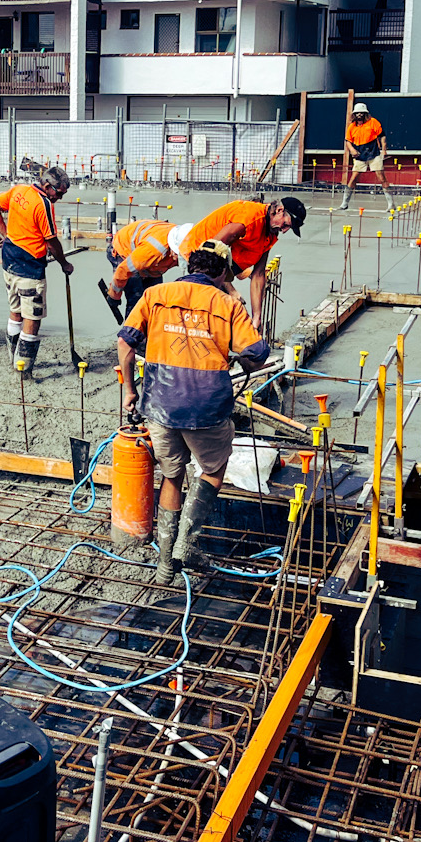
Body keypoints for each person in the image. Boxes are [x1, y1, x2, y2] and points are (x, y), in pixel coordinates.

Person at [117, 239, 271, 583]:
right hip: (206, 407)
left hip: (160, 404)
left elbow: (126, 343)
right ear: (221, 273)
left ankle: (164, 565)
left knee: (172, 476)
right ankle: (185, 545)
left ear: (192, 266)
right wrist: (239, 352)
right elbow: (256, 353)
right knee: (213, 470)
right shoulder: (227, 303)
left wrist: (130, 390)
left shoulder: (156, 294)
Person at [0, 165, 74, 374]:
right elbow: (51, 241)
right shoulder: (43, 205)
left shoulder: (19, 190)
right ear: (47, 186)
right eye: (58, 193)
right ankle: (22, 372)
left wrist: (6, 235)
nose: (59, 198)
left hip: (9, 261)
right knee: (32, 318)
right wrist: (64, 264)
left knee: (15, 311)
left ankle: (13, 360)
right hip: (30, 267)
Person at [183, 196, 305, 319]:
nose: (284, 231)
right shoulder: (249, 220)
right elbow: (211, 254)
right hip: (198, 256)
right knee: (208, 313)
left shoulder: (269, 234)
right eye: (285, 224)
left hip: (219, 267)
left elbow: (258, 275)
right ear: (279, 210)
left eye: (288, 228)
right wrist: (231, 290)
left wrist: (257, 317)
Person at [107, 217, 180, 313]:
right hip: (124, 251)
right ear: (173, 250)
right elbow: (123, 270)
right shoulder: (154, 250)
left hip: (150, 264)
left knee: (155, 301)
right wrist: (114, 295)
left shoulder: (187, 244)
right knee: (136, 299)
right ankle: (131, 326)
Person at [341, 101, 394, 210]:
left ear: (365, 114)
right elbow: (347, 141)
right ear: (354, 115)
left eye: (362, 113)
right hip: (360, 155)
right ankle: (344, 203)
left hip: (374, 154)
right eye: (357, 113)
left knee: (381, 177)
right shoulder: (352, 127)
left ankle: (391, 204)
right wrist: (352, 150)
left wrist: (384, 150)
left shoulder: (373, 122)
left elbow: (382, 136)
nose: (359, 115)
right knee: (353, 178)